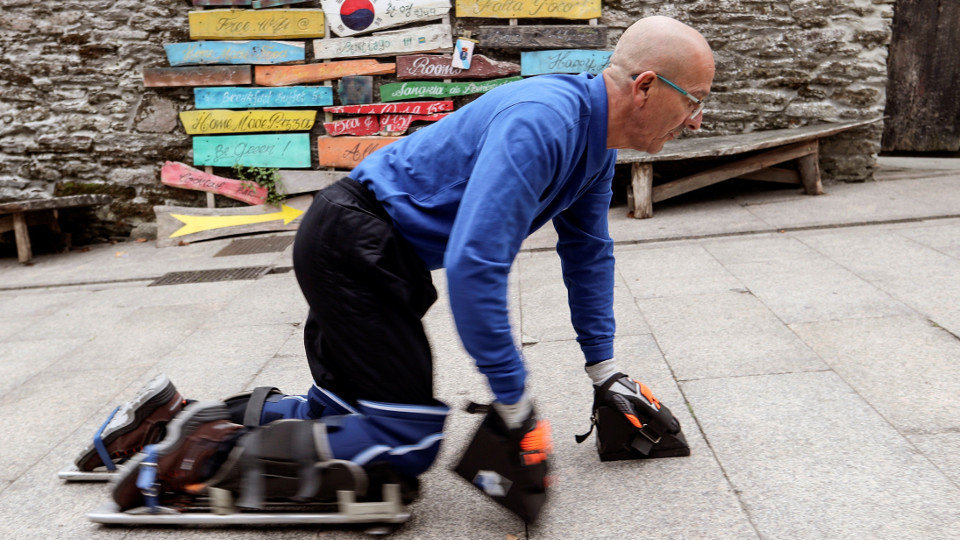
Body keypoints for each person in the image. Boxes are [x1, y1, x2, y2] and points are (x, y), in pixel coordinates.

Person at [80, 15, 716, 518]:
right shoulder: (544, 121)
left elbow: (587, 254)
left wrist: (604, 369)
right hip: (355, 243)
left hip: (375, 254)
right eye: (695, 102)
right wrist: (512, 396)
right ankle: (185, 464)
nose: (697, 120)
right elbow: (475, 264)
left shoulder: (594, 149)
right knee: (405, 441)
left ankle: (167, 417)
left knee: (344, 417)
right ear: (646, 87)